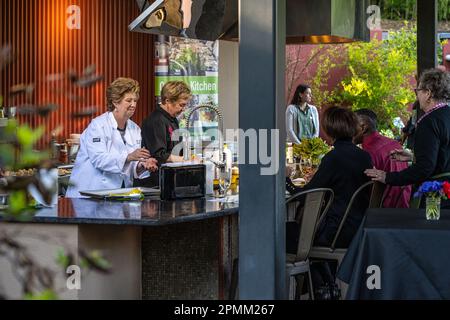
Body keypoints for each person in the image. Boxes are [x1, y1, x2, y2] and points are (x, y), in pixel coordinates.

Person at [286, 106, 372, 299]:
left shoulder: (333, 158)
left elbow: (308, 193)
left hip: (336, 233)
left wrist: (286, 181)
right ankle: (323, 287)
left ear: (329, 129)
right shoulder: (364, 156)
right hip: (358, 228)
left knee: (281, 232)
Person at [365, 68, 450, 208]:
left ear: (428, 93)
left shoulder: (428, 121)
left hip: (438, 196)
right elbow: (444, 154)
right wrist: (413, 156)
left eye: (418, 91)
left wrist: (387, 177)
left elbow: (425, 168)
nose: (417, 96)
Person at [66, 78, 158, 198]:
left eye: (135, 100)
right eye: (128, 100)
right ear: (115, 102)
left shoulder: (135, 129)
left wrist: (142, 165)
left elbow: (130, 166)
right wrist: (130, 156)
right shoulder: (98, 126)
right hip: (89, 194)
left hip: (118, 193)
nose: (133, 105)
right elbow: (99, 159)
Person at [354, 109, 411, 208]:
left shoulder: (367, 153)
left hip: (383, 210)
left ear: (363, 127)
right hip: (405, 203)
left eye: (350, 126)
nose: (347, 130)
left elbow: (363, 191)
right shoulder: (394, 143)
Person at [140, 80, 192, 187]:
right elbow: (159, 155)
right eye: (181, 105)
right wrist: (186, 160)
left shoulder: (173, 120)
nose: (183, 109)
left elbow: (176, 149)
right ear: (167, 101)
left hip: (171, 178)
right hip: (156, 182)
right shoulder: (156, 121)